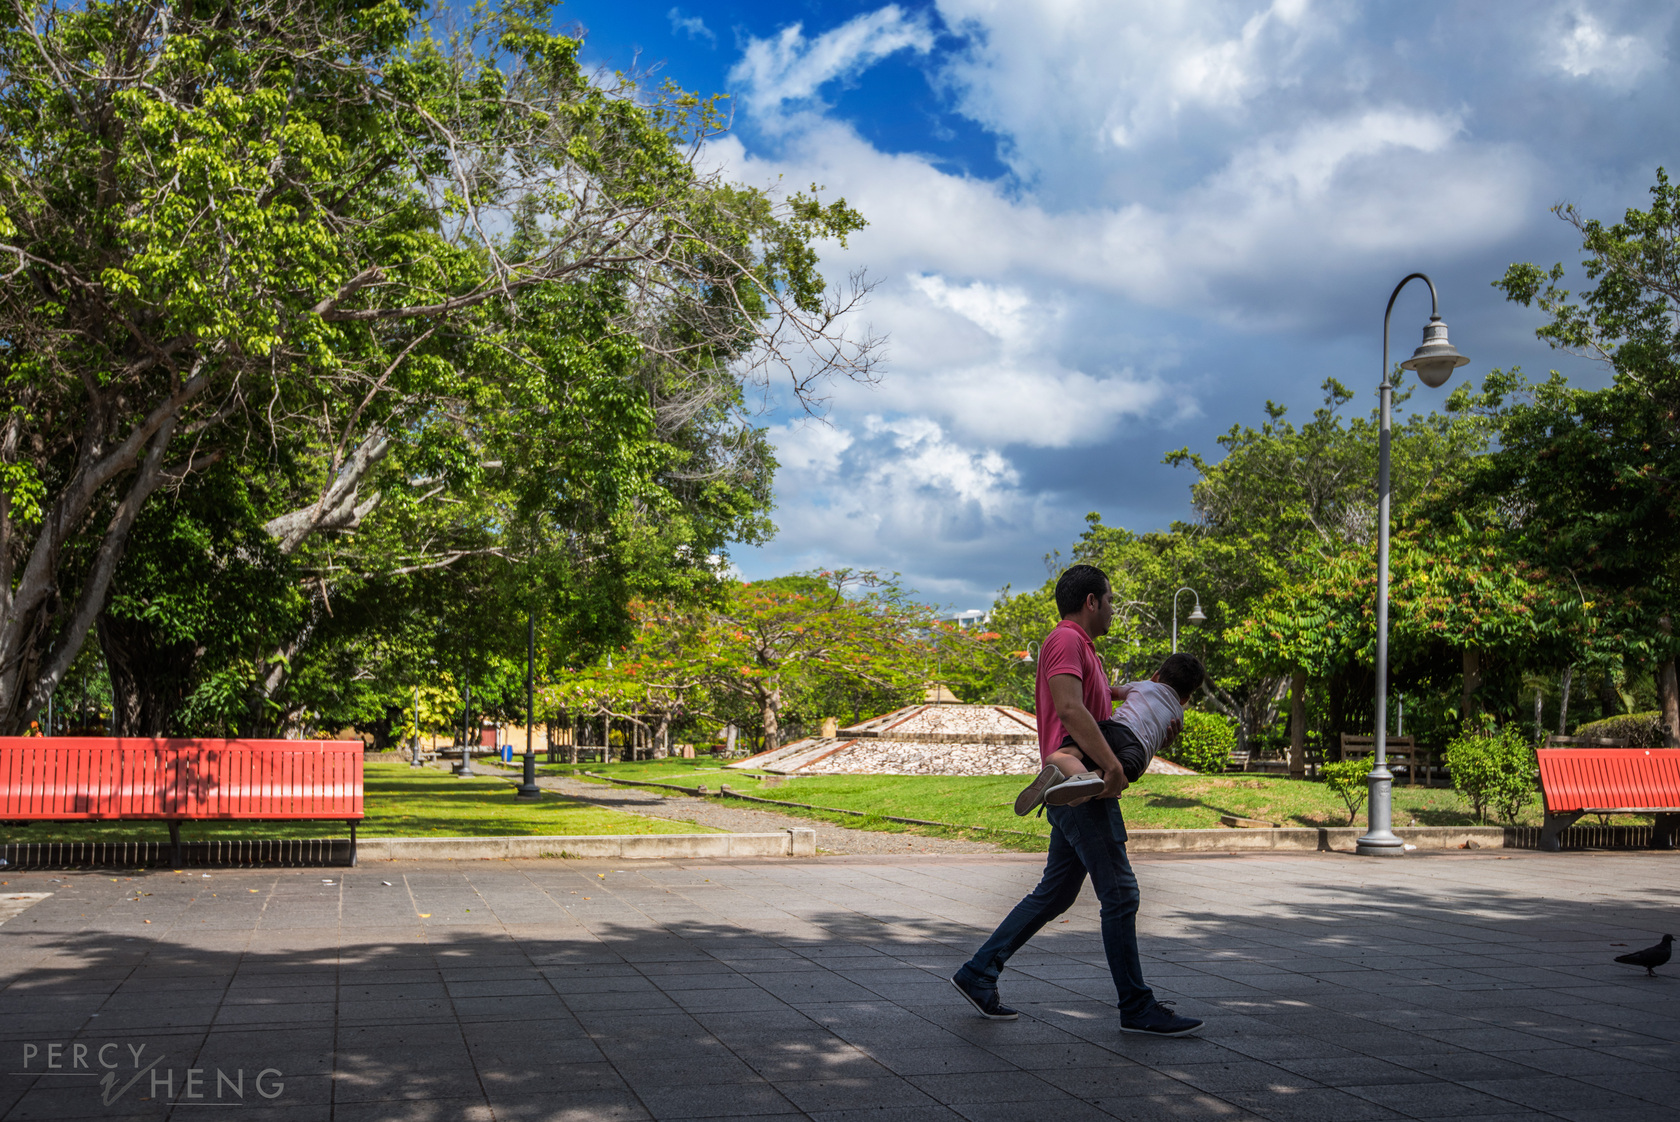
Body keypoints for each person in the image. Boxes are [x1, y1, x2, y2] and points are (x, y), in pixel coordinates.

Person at [951, 564, 1204, 1037]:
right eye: (1109, 600)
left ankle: (978, 972)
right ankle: (1136, 1007)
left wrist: (1152, 734)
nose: (1112, 608)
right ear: (1091, 601)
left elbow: (1112, 712)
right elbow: (1069, 708)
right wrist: (1111, 767)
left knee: (1055, 894)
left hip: (1075, 782)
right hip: (1082, 786)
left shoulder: (1084, 649)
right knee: (1122, 894)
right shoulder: (1065, 639)